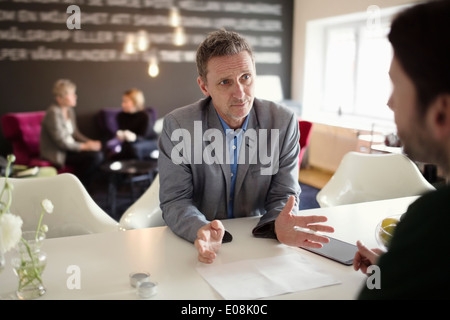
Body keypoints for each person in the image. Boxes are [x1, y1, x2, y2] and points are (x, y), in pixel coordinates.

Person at [158, 29, 334, 264]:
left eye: (246, 77)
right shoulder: (179, 125)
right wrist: (199, 228)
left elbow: (284, 193)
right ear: (204, 87)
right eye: (225, 82)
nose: (240, 93)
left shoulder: (283, 121)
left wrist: (276, 222)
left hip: (258, 239)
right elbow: (175, 200)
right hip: (199, 243)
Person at [353, 0, 450, 299]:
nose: (390, 102)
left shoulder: (436, 222)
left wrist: (383, 278)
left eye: (396, 86)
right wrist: (394, 268)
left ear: (441, 112)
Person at [40, 79, 103, 188]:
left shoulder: (69, 111)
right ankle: (79, 187)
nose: (75, 96)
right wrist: (85, 146)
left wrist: (90, 142)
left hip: (71, 148)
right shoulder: (53, 112)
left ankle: (83, 187)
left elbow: (75, 134)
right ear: (60, 99)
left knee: (100, 151)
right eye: (72, 94)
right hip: (59, 152)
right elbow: (61, 142)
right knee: (95, 156)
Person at [106, 88, 158, 160]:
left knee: (134, 149)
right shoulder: (121, 116)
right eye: (123, 101)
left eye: (125, 101)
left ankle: (140, 170)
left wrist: (133, 137)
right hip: (130, 142)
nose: (123, 104)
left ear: (135, 102)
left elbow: (144, 137)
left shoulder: (145, 116)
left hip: (149, 141)